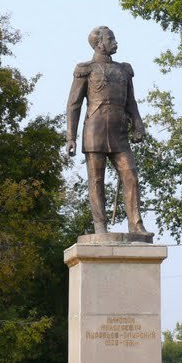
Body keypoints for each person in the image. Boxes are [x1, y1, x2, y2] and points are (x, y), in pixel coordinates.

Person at [66, 26, 148, 235]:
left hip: (119, 131)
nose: (115, 41)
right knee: (96, 180)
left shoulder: (123, 70)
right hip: (95, 129)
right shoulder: (86, 69)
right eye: (110, 39)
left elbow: (131, 102)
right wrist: (70, 137)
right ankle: (100, 226)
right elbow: (73, 105)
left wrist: (138, 124)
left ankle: (136, 225)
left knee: (131, 175)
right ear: (99, 43)